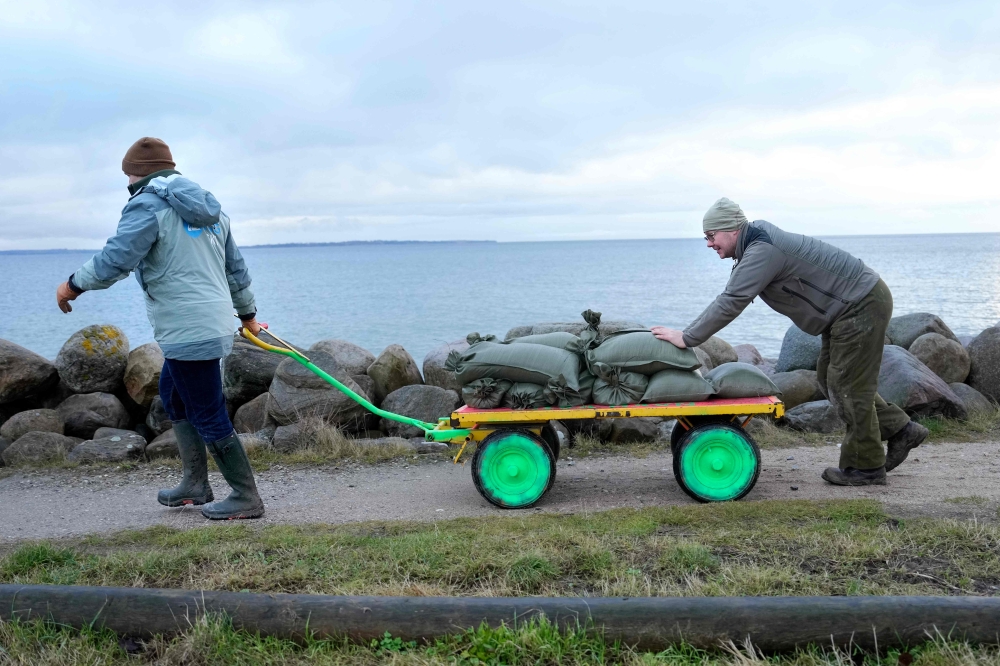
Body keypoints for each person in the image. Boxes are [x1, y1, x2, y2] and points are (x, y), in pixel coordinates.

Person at [55, 137, 265, 519]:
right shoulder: (212, 209)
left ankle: (245, 496)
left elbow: (115, 260)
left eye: (127, 175)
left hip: (189, 329)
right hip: (207, 323)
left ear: (134, 173)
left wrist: (73, 284)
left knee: (207, 411)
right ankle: (195, 484)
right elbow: (235, 270)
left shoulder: (148, 205)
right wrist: (248, 314)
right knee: (174, 396)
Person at [651, 197, 928, 486]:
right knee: (829, 378)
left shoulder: (762, 250)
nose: (709, 243)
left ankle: (866, 468)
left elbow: (732, 300)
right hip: (848, 308)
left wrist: (687, 337)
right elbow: (732, 295)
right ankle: (900, 429)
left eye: (711, 236)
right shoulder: (756, 245)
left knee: (849, 386)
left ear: (731, 230)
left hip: (860, 304)